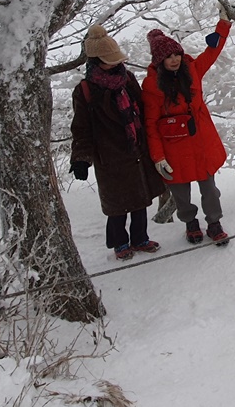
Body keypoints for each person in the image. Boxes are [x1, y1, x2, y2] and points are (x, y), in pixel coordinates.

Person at [70, 25, 167, 261]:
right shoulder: (84, 90)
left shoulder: (127, 79)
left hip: (136, 149)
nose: (114, 64)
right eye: (108, 61)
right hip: (110, 155)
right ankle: (120, 243)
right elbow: (81, 129)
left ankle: (140, 238)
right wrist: (81, 158)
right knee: (118, 205)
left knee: (140, 199)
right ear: (94, 61)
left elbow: (144, 110)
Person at [141, 10, 233, 245]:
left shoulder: (192, 71)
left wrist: (222, 26)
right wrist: (158, 157)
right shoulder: (151, 86)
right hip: (173, 146)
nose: (174, 59)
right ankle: (190, 223)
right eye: (168, 56)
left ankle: (214, 223)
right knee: (181, 193)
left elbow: (212, 53)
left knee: (210, 189)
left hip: (200, 142)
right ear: (159, 61)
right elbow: (150, 124)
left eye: (176, 54)